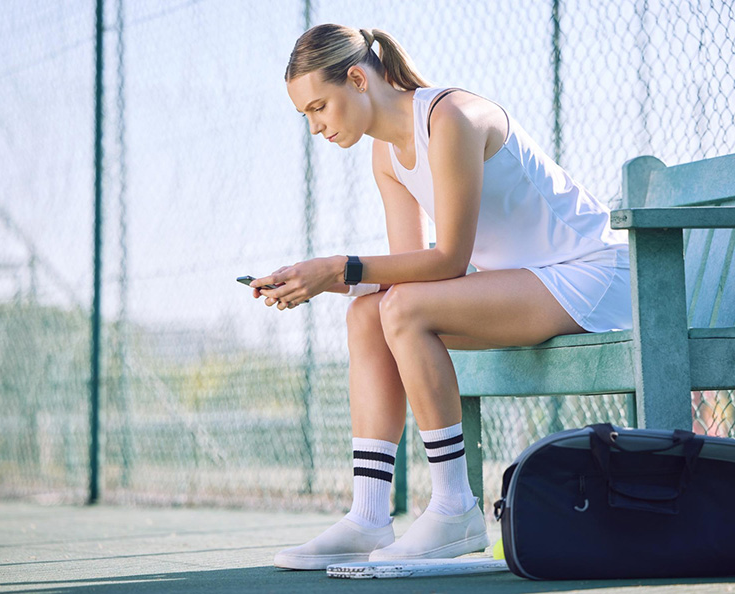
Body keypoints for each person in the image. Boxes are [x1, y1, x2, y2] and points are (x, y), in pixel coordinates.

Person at [251, 24, 632, 570]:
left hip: (592, 274)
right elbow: (403, 272)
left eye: (319, 107)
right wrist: (315, 279)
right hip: (529, 282)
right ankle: (368, 516)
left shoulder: (450, 117)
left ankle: (454, 507)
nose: (315, 127)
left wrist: (338, 265)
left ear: (358, 78)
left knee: (402, 309)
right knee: (366, 314)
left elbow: (449, 259)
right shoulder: (385, 155)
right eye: (306, 115)